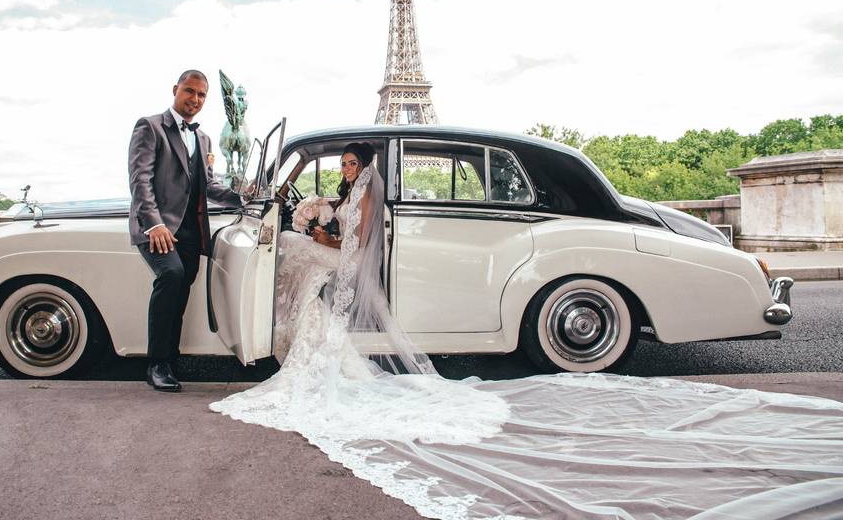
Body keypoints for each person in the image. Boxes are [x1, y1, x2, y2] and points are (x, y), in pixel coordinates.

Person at [212, 142, 843, 519]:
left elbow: (356, 232)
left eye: (349, 161)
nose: (345, 167)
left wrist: (319, 226)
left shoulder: (366, 190)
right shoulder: (356, 186)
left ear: (359, 167)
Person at [129, 69, 242, 392]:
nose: (195, 99)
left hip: (192, 232)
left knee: (180, 294)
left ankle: (171, 360)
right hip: (159, 228)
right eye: (189, 92)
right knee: (171, 277)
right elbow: (141, 181)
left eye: (201, 95)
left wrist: (244, 196)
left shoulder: (203, 138)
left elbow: (209, 185)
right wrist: (155, 224)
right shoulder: (150, 127)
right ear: (176, 89)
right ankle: (157, 364)